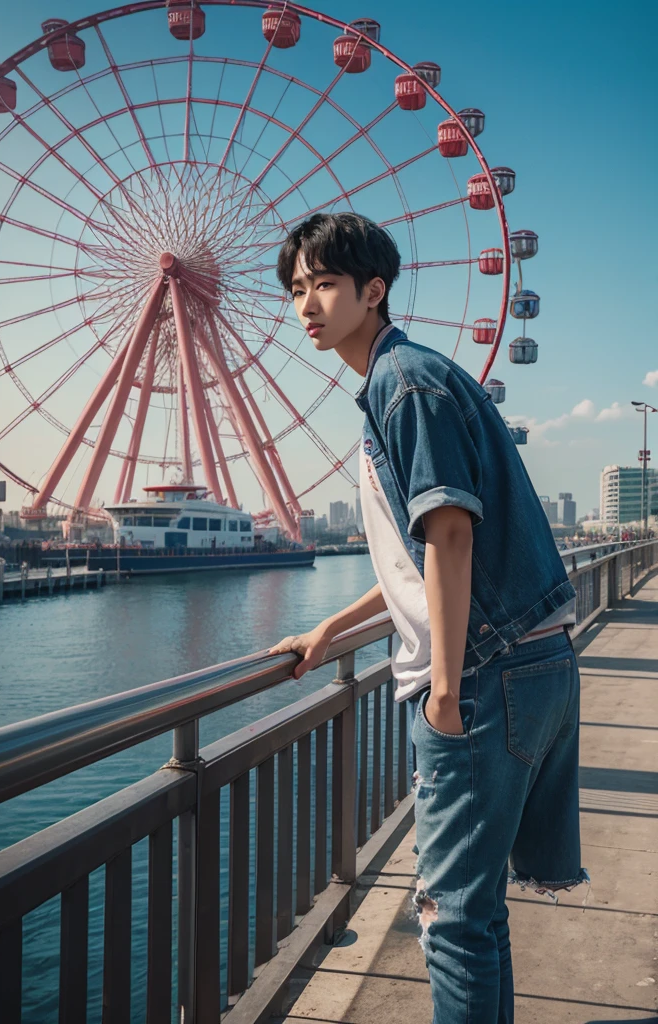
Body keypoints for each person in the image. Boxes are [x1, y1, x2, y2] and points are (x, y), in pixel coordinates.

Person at [269, 212, 588, 1024]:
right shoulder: (408, 379)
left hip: (484, 677)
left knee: (449, 919)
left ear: (373, 291)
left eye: (326, 284)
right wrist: (326, 632)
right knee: (474, 914)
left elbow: (450, 532)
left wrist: (445, 687)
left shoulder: (401, 385)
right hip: (524, 660)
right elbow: (418, 561)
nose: (307, 303)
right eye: (298, 288)